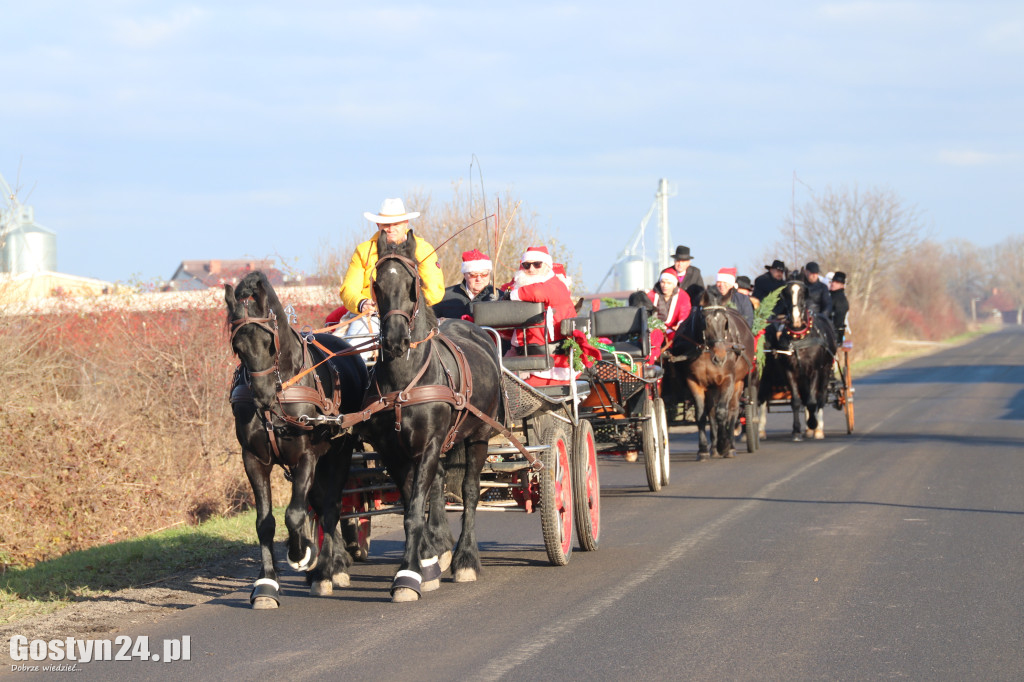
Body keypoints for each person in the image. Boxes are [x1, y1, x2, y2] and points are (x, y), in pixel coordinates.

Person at [339, 197, 445, 315]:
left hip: (412, 315)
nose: (391, 229)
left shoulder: (423, 249)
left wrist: (410, 305)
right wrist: (361, 303)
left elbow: (435, 291)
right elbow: (349, 288)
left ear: (406, 224)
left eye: (396, 224)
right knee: (355, 333)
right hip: (370, 315)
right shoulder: (363, 251)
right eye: (386, 224)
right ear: (378, 225)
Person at [432, 249, 497, 320]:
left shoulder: (499, 297)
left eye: (484, 275)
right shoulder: (443, 297)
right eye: (473, 275)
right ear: (464, 274)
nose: (479, 279)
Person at [829, 271, 850, 346]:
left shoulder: (841, 300)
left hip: (833, 334)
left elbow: (838, 321)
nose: (833, 283)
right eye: (832, 281)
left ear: (842, 285)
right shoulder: (828, 295)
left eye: (836, 282)